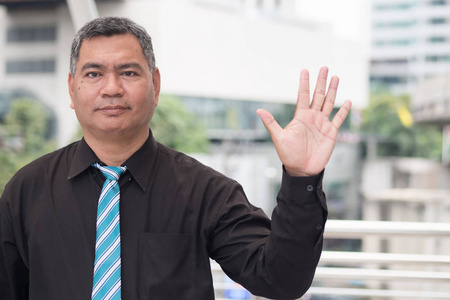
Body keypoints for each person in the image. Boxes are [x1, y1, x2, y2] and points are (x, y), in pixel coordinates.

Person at [0, 16, 351, 300]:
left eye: (128, 72)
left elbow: (280, 280)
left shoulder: (206, 192)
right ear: (72, 88)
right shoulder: (26, 191)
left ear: (155, 85)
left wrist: (301, 176)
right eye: (93, 74)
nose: (111, 88)